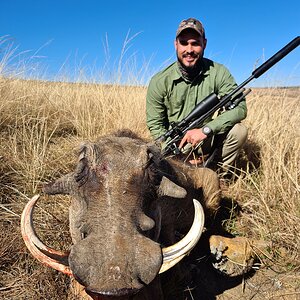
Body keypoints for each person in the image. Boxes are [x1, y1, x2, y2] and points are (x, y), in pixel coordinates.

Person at [146, 17, 248, 174]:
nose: (189, 50)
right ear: (176, 44)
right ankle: (186, 170)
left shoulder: (219, 72)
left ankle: (216, 174)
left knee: (239, 131)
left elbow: (240, 108)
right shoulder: (159, 81)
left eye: (195, 43)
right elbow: (156, 125)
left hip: (207, 138)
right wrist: (177, 155)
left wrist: (206, 130)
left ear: (204, 44)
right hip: (177, 145)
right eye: (184, 43)